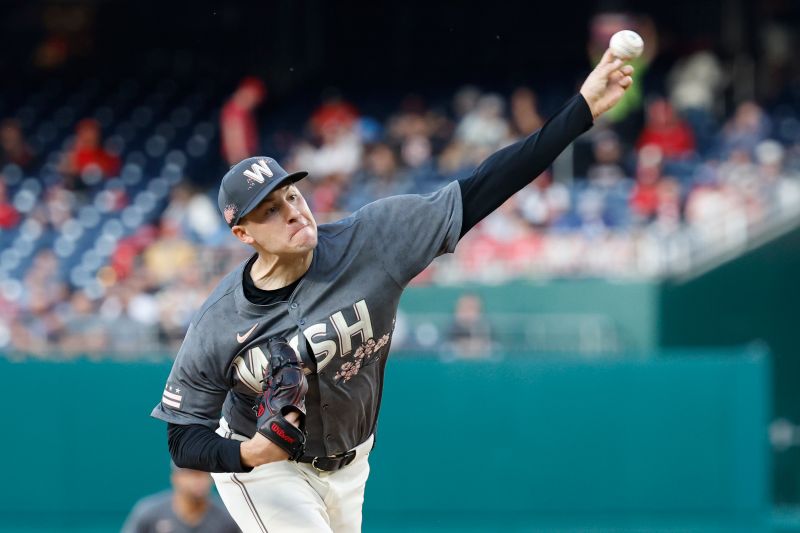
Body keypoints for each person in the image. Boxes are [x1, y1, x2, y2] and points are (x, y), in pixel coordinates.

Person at [151, 49, 634, 532]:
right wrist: (246, 453)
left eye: (291, 195)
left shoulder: (374, 240)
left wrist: (582, 109)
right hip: (266, 473)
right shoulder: (219, 319)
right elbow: (183, 436)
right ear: (244, 235)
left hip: (353, 462)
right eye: (270, 210)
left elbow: (485, 186)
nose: (294, 211)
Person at [122, 463, 240, 533]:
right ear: (176, 477)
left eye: (204, 473)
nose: (199, 480)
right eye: (192, 473)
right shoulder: (148, 513)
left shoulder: (228, 517)